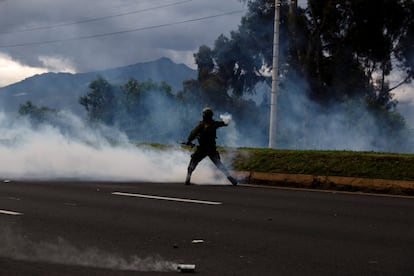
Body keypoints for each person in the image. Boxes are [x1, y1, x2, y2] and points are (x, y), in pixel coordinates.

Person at [184, 107, 238, 186]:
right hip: (211, 148)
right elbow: (224, 123)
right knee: (219, 164)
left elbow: (193, 134)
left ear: (204, 115)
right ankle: (231, 179)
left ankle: (188, 178)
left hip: (202, 148)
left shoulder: (201, 125)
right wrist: (226, 121)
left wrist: (189, 141)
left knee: (193, 162)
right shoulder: (214, 124)